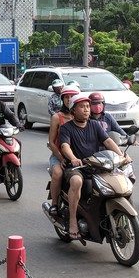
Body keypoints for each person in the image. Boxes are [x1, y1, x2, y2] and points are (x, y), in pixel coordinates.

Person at [60, 93, 131, 239]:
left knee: (117, 180)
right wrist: (73, 158)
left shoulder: (95, 125)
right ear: (73, 110)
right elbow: (65, 145)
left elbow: (108, 142)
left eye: (87, 106)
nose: (86, 109)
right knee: (76, 181)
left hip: (96, 165)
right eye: (82, 107)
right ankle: (73, 220)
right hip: (76, 167)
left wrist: (122, 155)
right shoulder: (66, 128)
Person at [47, 84, 80, 215]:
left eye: (72, 96)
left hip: (79, 155)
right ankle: (54, 203)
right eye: (66, 97)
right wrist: (61, 159)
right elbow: (52, 142)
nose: (69, 99)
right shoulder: (57, 117)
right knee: (58, 173)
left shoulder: (83, 116)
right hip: (59, 155)